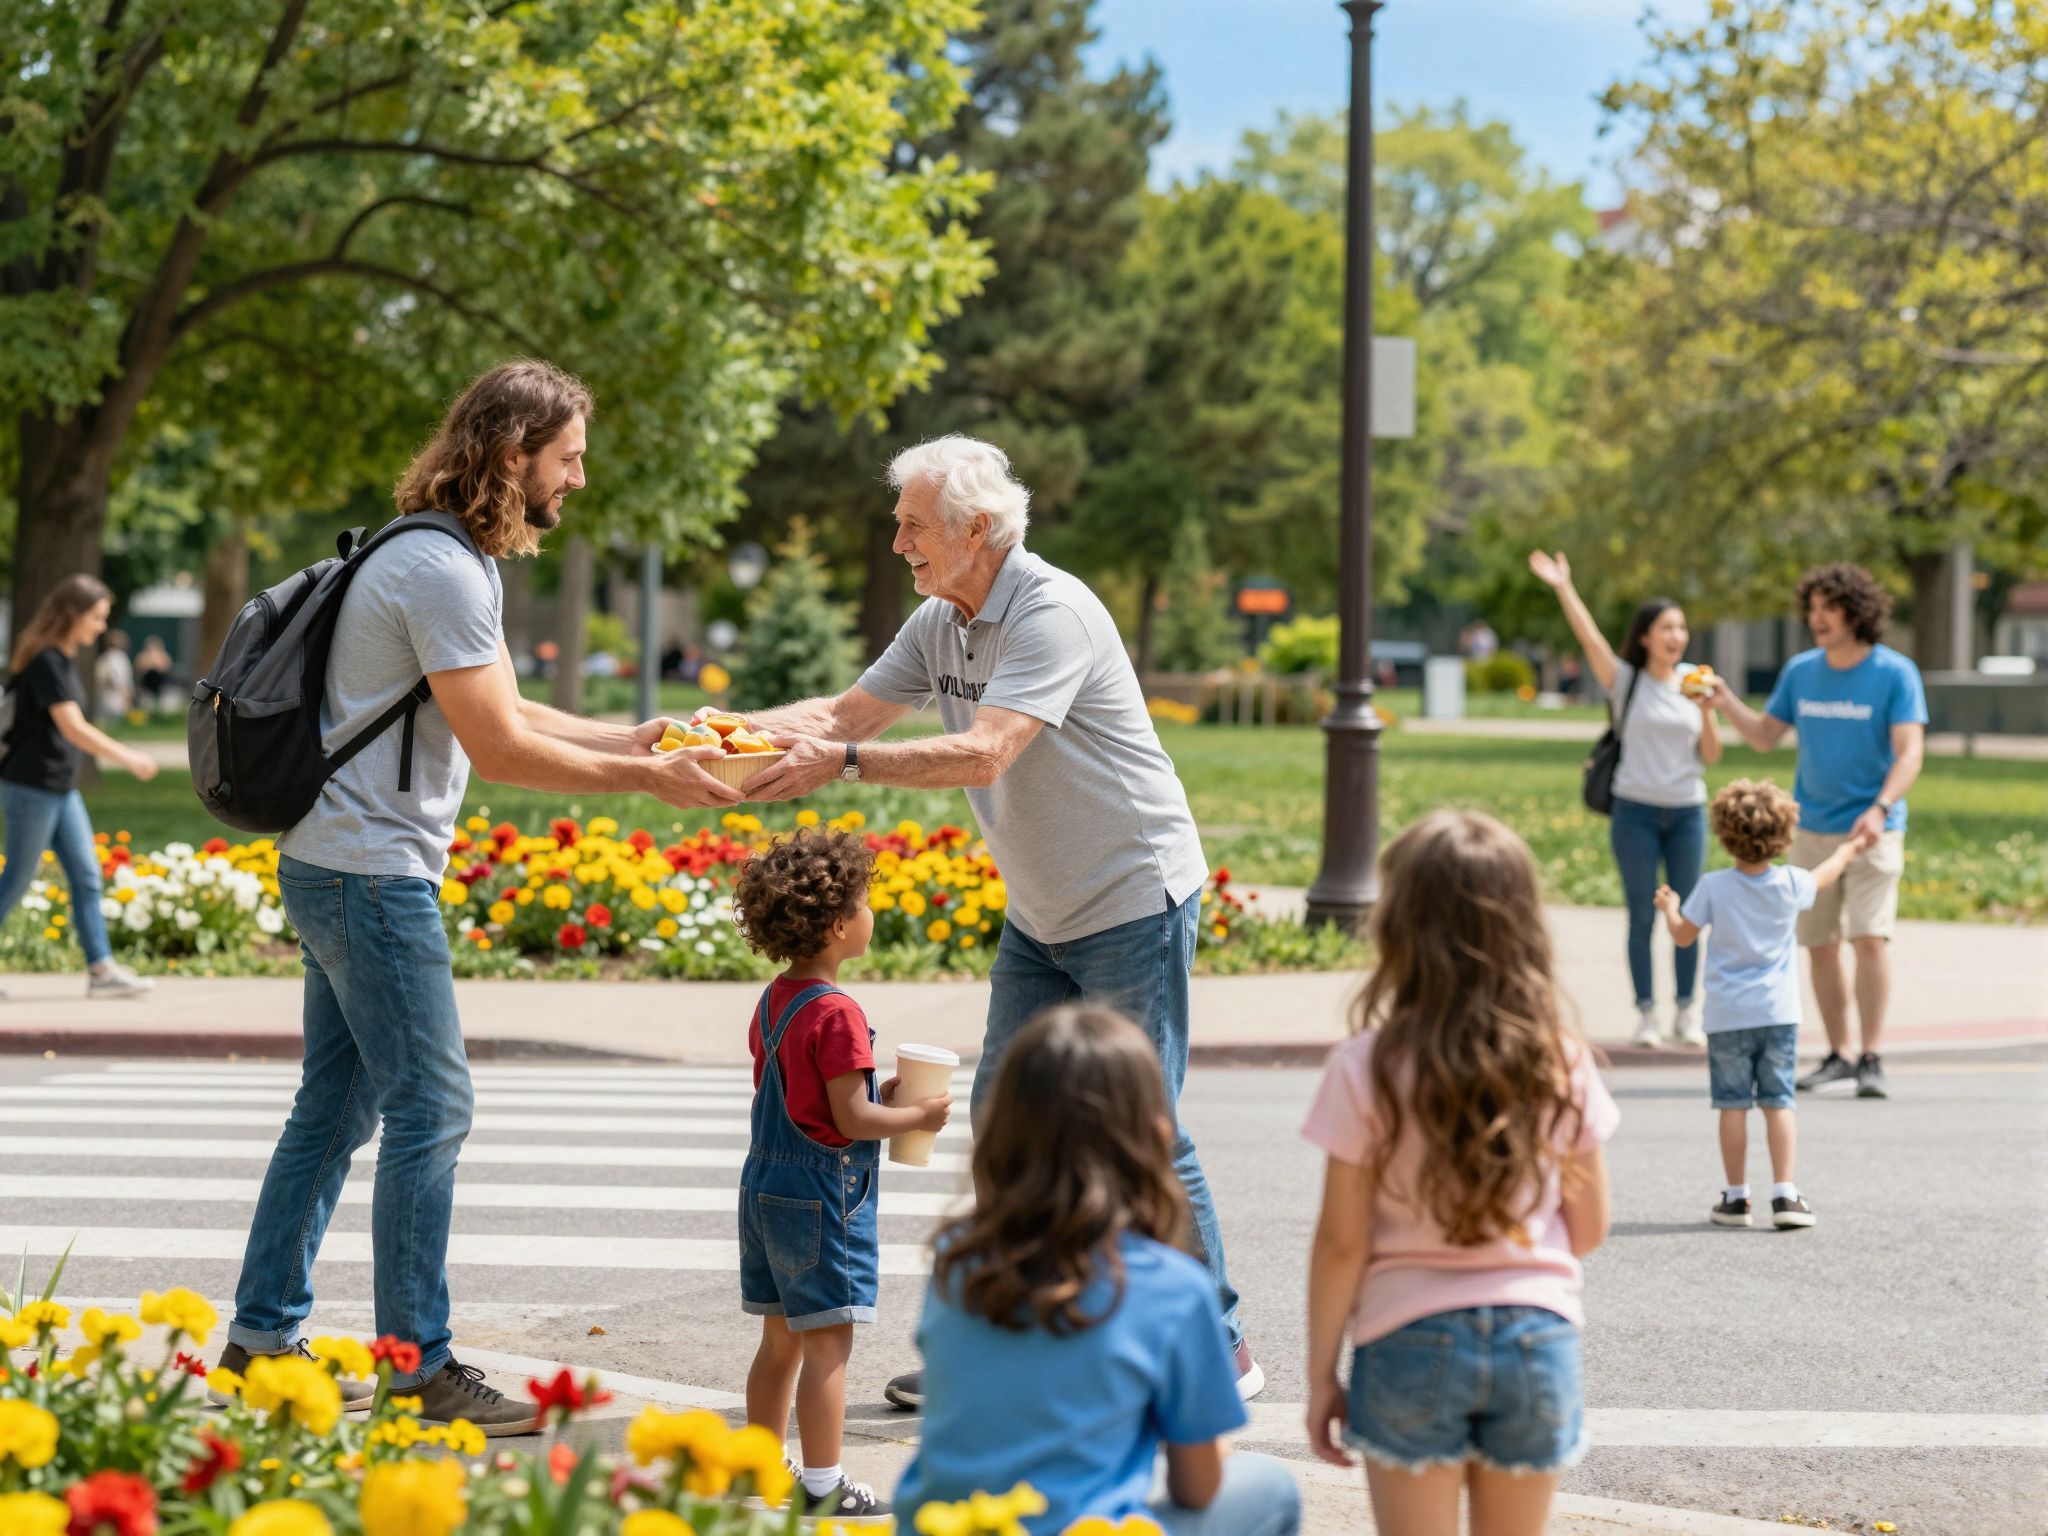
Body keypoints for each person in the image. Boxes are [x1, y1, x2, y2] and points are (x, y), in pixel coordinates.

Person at [219, 359, 743, 1431]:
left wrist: (630, 735)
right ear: (514, 454)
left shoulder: (429, 552)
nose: (577, 480)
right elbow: (499, 746)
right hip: (370, 876)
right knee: (433, 1106)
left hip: (335, 860)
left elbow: (494, 701)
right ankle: (416, 1371)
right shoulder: (444, 570)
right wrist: (648, 777)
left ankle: (259, 1341)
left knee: (336, 1108)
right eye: (568, 458)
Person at [732, 435, 1256, 1408]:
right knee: (999, 1118)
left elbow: (984, 754)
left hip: (1132, 897)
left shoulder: (1051, 611)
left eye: (912, 524)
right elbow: (846, 711)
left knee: (1140, 1126)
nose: (897, 542)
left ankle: (1214, 1341)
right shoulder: (941, 621)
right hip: (1043, 909)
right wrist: (714, 737)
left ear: (979, 530)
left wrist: (838, 766)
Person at [1304, 810, 1618, 1536]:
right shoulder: (1560, 1060)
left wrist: (1323, 1375)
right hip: (1539, 1342)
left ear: (1398, 927)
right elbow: (1590, 1229)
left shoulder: (1365, 1067)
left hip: (1406, 1341)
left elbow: (1342, 1244)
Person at [898, 1005, 1301, 1536]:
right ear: (1152, 1141)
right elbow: (1197, 1487)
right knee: (1270, 1489)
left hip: (943, 1525)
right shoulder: (1174, 1288)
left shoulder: (959, 1258)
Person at [729, 826, 951, 1519]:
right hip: (823, 1198)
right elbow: (851, 1123)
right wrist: (916, 1119)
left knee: (779, 1340)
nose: (871, 913)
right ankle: (824, 1485)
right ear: (836, 925)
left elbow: (818, 1097)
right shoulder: (840, 1013)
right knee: (828, 1344)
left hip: (765, 1187)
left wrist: (876, 1100)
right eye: (863, 901)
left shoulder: (776, 999)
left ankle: (760, 1472)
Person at [1710, 564, 1926, 1100]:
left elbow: (1910, 751)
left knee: (1868, 937)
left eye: (1828, 609)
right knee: (1821, 945)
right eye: (1812, 609)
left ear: (1857, 613)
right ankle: (1839, 1054)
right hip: (1812, 829)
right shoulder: (1802, 672)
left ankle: (1871, 1057)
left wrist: (1881, 807)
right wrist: (1723, 700)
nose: (1816, 619)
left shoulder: (1894, 673)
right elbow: (1764, 736)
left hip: (1872, 828)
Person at [1656, 779, 1872, 1232]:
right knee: (1779, 1102)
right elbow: (1826, 874)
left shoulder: (1713, 887)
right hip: (1778, 1014)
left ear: (1724, 832)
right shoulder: (1791, 883)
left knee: (1732, 1105)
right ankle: (1785, 1193)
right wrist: (1850, 850)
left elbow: (1682, 937)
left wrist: (1670, 907)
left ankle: (1736, 1198)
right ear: (1783, 834)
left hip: (1727, 1017)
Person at [1529, 550, 1722, 1047]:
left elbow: (1713, 755)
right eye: (1666, 628)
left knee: (1686, 916)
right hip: (1634, 811)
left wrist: (1708, 710)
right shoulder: (1625, 681)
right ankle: (1646, 1015)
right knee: (1641, 914)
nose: (1676, 636)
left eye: (1681, 628)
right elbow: (1588, 636)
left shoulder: (1693, 685)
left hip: (1686, 813)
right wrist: (1563, 586)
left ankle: (1685, 1011)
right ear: (1644, 636)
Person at [0, 576, 159, 999]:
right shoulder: (46, 661)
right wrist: (127, 757)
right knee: (16, 879)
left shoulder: (60, 659)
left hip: (59, 787)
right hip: (32, 787)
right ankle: (102, 970)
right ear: (72, 614)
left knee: (87, 878)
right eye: (97, 617)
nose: (101, 627)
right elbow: (72, 728)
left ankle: (102, 971)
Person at [93, 629, 135, 720]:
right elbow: (119, 680)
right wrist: (126, 698)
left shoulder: (104, 657)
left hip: (104, 698)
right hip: (116, 699)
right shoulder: (118, 657)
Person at [135, 635, 173, 712]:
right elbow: (140, 669)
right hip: (146, 687)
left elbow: (166, 667)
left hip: (161, 686)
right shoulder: (142, 657)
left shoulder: (163, 656)